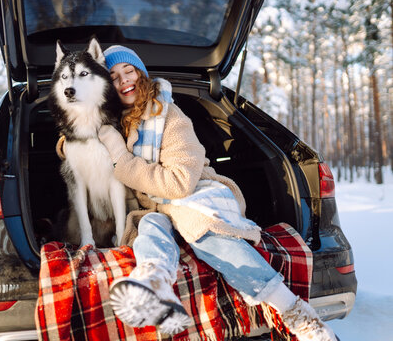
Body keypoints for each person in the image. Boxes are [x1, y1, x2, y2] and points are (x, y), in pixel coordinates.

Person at [95, 45, 337, 341]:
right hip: (157, 209)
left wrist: (122, 159)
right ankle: (156, 284)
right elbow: (76, 138)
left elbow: (180, 183)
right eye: (113, 76)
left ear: (141, 75)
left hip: (194, 196)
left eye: (128, 71)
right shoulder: (117, 122)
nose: (123, 81)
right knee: (149, 227)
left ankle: (299, 315)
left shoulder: (169, 115)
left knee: (204, 235)